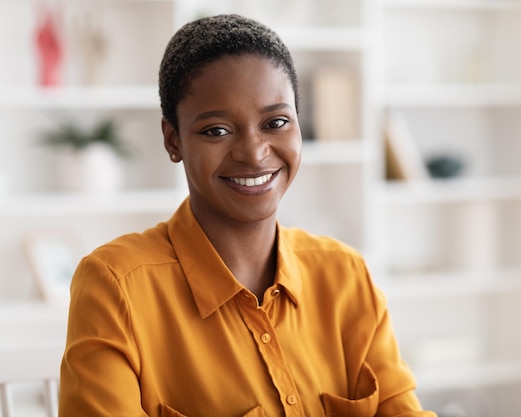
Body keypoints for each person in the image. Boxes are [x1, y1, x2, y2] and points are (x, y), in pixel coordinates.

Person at [59, 14, 437, 417]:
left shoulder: (345, 274)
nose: (254, 152)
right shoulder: (116, 287)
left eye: (275, 122)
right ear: (173, 139)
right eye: (217, 131)